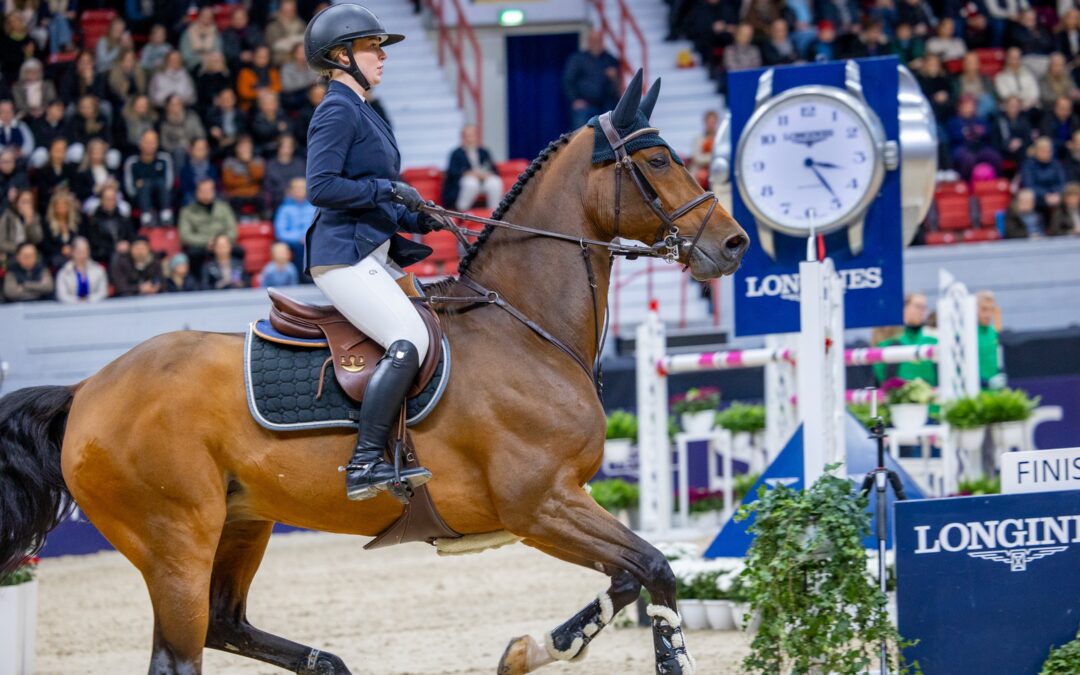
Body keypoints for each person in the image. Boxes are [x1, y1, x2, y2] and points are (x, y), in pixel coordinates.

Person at [304, 3, 444, 500]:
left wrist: (418, 215)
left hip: (370, 252)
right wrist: (388, 193)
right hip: (343, 256)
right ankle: (364, 463)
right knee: (408, 337)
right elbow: (320, 186)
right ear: (341, 56)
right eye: (372, 47)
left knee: (433, 325)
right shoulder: (337, 109)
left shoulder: (365, 110)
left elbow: (375, 187)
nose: (382, 57)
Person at [873, 292, 938, 386]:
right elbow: (881, 377)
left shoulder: (932, 341)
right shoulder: (889, 342)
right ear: (904, 308)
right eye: (918, 306)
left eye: (924, 307)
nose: (922, 311)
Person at [562, 29, 620, 130]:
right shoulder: (578, 59)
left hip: (605, 107)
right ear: (588, 42)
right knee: (580, 135)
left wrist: (614, 77)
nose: (595, 43)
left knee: (609, 135)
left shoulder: (610, 59)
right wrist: (575, 99)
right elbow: (568, 80)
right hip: (585, 106)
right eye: (593, 40)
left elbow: (616, 86)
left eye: (598, 40)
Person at [178, 177, 238, 272]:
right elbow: (185, 236)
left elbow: (232, 231)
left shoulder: (224, 208)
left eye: (210, 190)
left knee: (239, 251)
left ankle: (236, 281)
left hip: (222, 244)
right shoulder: (187, 211)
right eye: (204, 190)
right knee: (193, 254)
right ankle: (199, 284)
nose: (207, 193)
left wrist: (221, 242)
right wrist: (207, 242)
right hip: (200, 246)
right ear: (197, 192)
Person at [442, 125, 502, 211]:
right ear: (462, 138)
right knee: (471, 183)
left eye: (472, 136)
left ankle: (495, 212)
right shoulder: (456, 153)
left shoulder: (483, 152)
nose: (470, 139)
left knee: (495, 182)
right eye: (468, 136)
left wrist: (486, 174)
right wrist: (469, 173)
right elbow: (453, 173)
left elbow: (494, 170)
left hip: (483, 181)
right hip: (465, 182)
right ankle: (462, 210)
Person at [122, 129, 173, 227]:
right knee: (144, 185)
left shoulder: (165, 159)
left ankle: (166, 215)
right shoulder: (132, 162)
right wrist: (140, 186)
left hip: (162, 196)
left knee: (159, 183)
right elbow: (129, 188)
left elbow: (169, 183)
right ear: (140, 143)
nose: (150, 145)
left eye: (153, 142)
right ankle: (146, 216)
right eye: (147, 142)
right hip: (139, 199)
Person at [85, 182, 135, 264]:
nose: (110, 202)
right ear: (101, 200)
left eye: (112, 199)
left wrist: (127, 243)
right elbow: (94, 241)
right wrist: (115, 247)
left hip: (124, 251)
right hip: (104, 254)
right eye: (107, 199)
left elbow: (131, 235)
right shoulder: (94, 220)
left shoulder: (123, 217)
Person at [273, 176, 315, 269]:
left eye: (302, 187)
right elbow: (280, 232)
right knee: (300, 248)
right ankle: (302, 279)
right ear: (291, 190)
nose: (299, 190)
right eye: (296, 188)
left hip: (312, 240)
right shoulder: (284, 209)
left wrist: (307, 237)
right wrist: (299, 237)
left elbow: (319, 227)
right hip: (293, 243)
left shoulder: (314, 207)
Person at [1020, 136, 1067, 213]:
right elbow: (1029, 185)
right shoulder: (1028, 164)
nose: (1047, 154)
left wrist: (1055, 193)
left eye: (1049, 151)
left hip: (1055, 196)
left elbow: (1062, 182)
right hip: (1037, 197)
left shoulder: (1056, 164)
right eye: (1044, 151)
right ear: (1037, 151)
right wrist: (1045, 195)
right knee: (1027, 195)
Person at [55, 236, 107, 303]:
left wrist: (88, 300)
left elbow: (103, 292)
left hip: (95, 307)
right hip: (70, 309)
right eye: (79, 252)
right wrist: (78, 301)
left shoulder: (99, 270)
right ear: (72, 252)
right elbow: (62, 295)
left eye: (85, 251)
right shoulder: (63, 273)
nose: (83, 255)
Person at [0, 187, 41, 269]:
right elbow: (1, 242)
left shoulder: (35, 217)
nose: (27, 205)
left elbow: (37, 239)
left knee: (39, 263)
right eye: (24, 202)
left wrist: (29, 223)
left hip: (30, 252)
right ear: (17, 203)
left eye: (29, 202)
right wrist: (19, 249)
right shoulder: (7, 216)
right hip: (12, 253)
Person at [222, 135, 265, 213]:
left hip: (253, 194)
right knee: (235, 202)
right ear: (237, 148)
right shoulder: (229, 162)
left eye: (248, 147)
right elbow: (228, 182)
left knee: (261, 201)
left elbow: (258, 177)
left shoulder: (257, 161)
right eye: (243, 147)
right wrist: (248, 180)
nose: (246, 149)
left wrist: (248, 163)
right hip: (236, 194)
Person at [262, 135, 304, 213]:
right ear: (278, 147)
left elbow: (304, 183)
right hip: (279, 201)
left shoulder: (300, 164)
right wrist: (286, 192)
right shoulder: (271, 165)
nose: (287, 149)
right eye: (284, 146)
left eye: (289, 146)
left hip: (301, 201)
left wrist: (296, 192)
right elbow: (268, 187)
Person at [975, 290, 1006, 390]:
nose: (988, 314)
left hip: (995, 394)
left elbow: (999, 360)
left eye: (991, 310)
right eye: (984, 309)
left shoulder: (995, 333)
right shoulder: (968, 335)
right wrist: (985, 383)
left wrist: (1002, 373)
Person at [995, 47, 1040, 111]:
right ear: (1007, 59)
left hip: (1029, 108)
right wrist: (1021, 100)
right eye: (1013, 58)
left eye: (1017, 58)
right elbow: (1005, 95)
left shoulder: (1029, 75)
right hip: (1010, 110)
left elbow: (1035, 93)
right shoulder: (1000, 78)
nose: (1015, 61)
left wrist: (1026, 103)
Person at [237, 45, 281, 110]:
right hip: (251, 105)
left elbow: (278, 86)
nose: (262, 59)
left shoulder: (273, 71)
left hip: (270, 102)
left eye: (265, 57)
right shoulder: (245, 72)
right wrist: (257, 93)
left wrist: (267, 91)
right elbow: (243, 92)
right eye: (260, 56)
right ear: (253, 57)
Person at [179, 6, 222, 71]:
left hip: (213, 66)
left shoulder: (215, 34)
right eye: (204, 16)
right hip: (193, 66)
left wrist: (209, 60)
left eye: (209, 17)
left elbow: (218, 52)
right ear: (199, 16)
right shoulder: (188, 33)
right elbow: (185, 56)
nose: (206, 19)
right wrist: (203, 58)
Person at [179, 138, 218, 206]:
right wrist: (199, 193)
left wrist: (206, 192)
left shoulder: (212, 168)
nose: (200, 151)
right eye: (198, 148)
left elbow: (215, 184)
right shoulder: (186, 169)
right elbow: (185, 188)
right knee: (187, 198)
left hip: (209, 194)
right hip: (193, 195)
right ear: (191, 150)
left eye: (203, 149)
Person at [688, 110, 719, 180]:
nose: (711, 125)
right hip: (699, 171)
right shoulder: (698, 139)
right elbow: (697, 158)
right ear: (705, 122)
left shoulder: (720, 140)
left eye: (713, 122)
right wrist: (713, 157)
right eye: (709, 122)